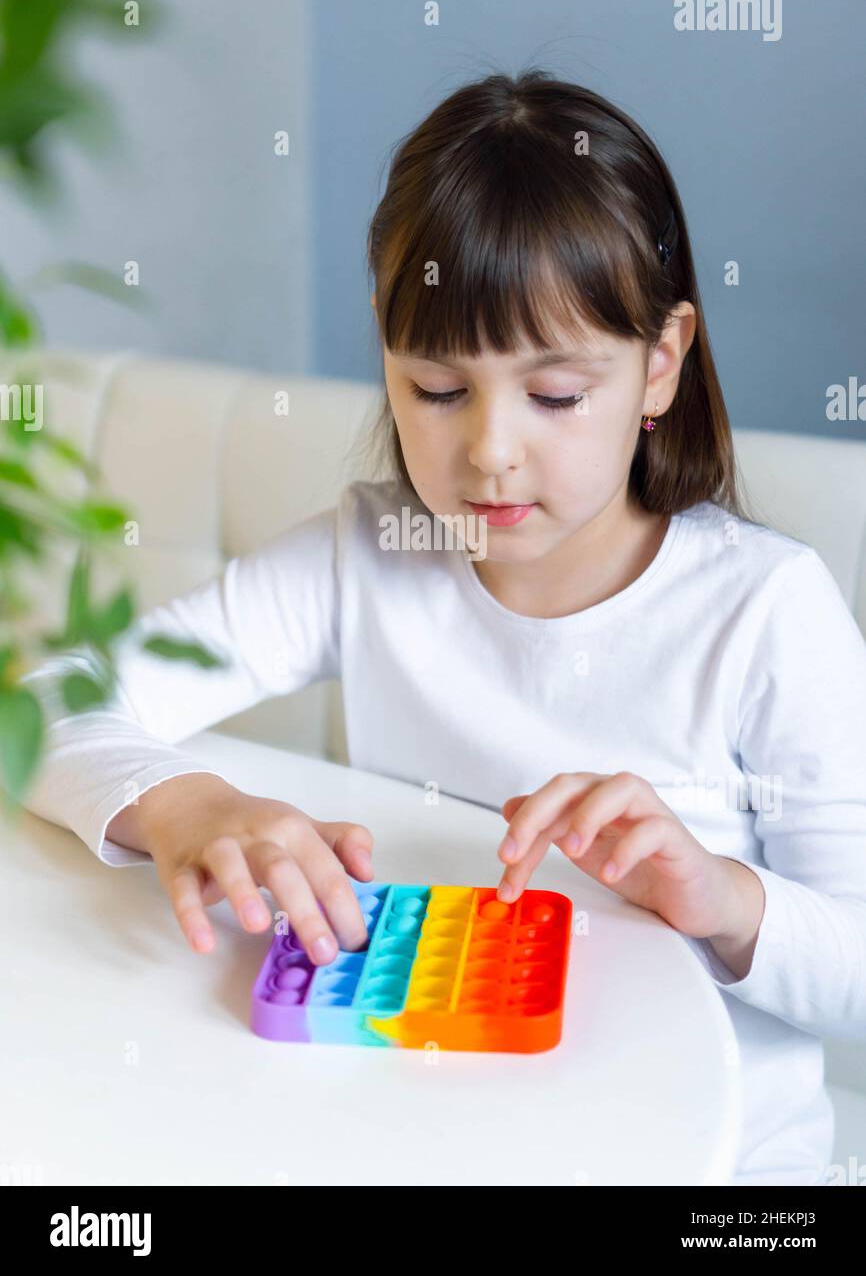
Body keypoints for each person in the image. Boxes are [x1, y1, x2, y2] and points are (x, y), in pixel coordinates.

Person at [21, 70, 866, 1186]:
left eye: (554, 396)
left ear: (658, 362)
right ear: (384, 345)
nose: (488, 453)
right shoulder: (362, 556)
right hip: (439, 1138)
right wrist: (187, 803)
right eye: (435, 388)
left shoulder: (764, 610)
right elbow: (42, 701)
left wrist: (721, 897)